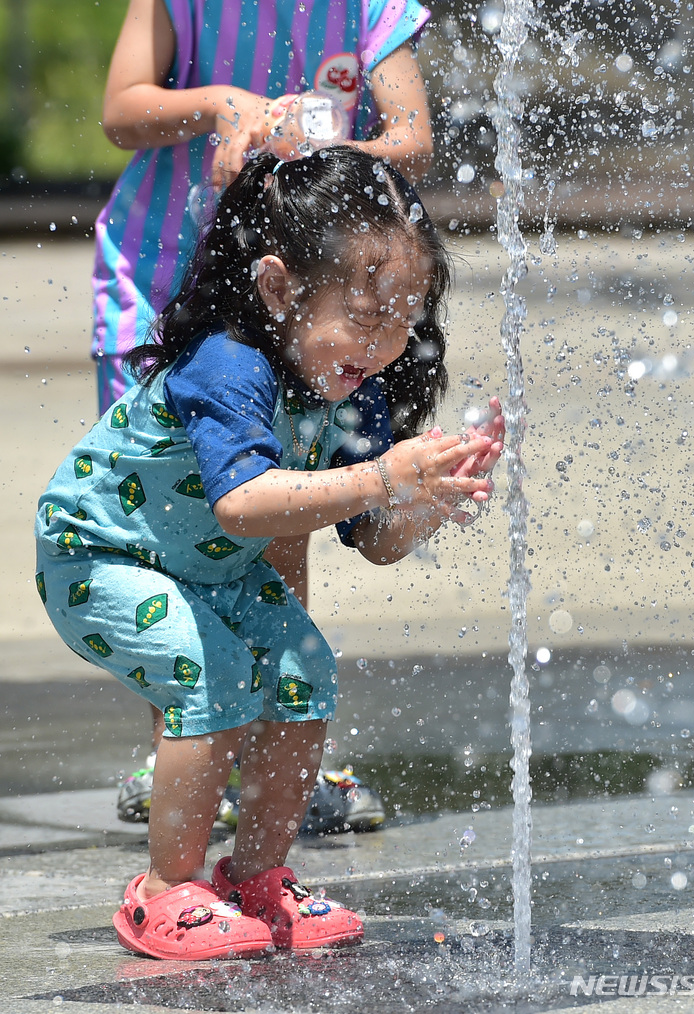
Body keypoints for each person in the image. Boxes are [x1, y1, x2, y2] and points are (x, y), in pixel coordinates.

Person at [35, 146, 504, 960]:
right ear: (280, 288)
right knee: (208, 672)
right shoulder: (228, 364)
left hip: (205, 566)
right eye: (365, 316)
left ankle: (256, 876)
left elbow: (378, 545)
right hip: (100, 555)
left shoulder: (352, 391)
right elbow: (243, 503)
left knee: (304, 669)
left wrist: (426, 500)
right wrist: (380, 474)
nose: (387, 345)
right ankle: (160, 893)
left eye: (406, 320)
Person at [94, 0, 436, 817]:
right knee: (170, 523)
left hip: (305, 303)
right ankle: (179, 745)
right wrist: (220, 105)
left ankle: (279, 751)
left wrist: (312, 162)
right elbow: (121, 111)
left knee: (283, 517)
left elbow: (413, 140)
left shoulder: (370, 9)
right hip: (165, 283)